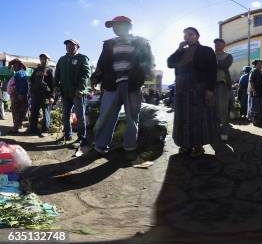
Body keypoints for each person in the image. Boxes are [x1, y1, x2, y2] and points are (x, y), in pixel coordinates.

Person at [89, 16, 154, 160]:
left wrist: (146, 73)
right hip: (112, 84)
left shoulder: (141, 42)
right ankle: (100, 146)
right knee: (106, 117)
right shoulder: (108, 44)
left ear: (128, 26)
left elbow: (148, 61)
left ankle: (129, 147)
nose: (116, 28)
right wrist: (95, 76)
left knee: (132, 118)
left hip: (132, 85)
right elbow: (102, 63)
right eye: (114, 26)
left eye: (118, 25)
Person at [168, 27, 217, 157]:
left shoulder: (206, 50)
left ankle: (198, 146)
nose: (187, 37)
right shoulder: (181, 52)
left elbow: (212, 71)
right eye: (185, 35)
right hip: (181, 89)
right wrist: (178, 49)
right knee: (183, 117)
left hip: (198, 87)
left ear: (197, 36)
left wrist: (210, 90)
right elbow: (170, 63)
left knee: (198, 117)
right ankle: (185, 145)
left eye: (190, 34)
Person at [55, 39, 91, 146]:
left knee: (80, 116)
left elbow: (86, 74)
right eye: (67, 45)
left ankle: (81, 138)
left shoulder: (82, 58)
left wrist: (80, 88)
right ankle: (67, 135)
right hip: (65, 92)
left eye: (72, 45)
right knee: (65, 115)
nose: (69, 47)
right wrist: (56, 85)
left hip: (77, 93)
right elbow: (57, 74)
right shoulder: (62, 59)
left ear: (77, 47)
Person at [28, 54, 54, 137]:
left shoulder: (50, 70)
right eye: (41, 58)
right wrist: (31, 90)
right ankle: (33, 129)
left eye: (45, 58)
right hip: (35, 94)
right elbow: (31, 80)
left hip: (45, 95)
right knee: (34, 112)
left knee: (46, 112)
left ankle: (45, 130)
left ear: (48, 59)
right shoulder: (37, 69)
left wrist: (52, 96)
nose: (43, 60)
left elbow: (53, 84)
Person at [214, 38, 233, 141]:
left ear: (224, 45)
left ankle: (224, 132)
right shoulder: (210, 55)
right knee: (212, 109)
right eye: (215, 43)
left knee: (223, 109)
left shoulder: (228, 56)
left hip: (223, 84)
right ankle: (214, 131)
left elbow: (224, 65)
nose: (217, 45)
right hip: (210, 85)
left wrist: (212, 64)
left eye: (219, 43)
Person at [7, 59, 28, 134]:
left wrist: (20, 94)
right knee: (19, 111)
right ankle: (19, 125)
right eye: (13, 66)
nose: (13, 67)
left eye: (15, 65)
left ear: (19, 66)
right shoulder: (19, 73)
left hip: (18, 95)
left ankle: (15, 128)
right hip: (18, 95)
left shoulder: (20, 73)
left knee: (16, 111)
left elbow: (22, 84)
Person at [248, 60, 262, 126]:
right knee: (255, 106)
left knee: (261, 106)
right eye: (259, 64)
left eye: (261, 64)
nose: (260, 65)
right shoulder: (253, 71)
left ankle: (261, 120)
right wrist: (253, 90)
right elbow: (251, 81)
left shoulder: (261, 72)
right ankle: (255, 121)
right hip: (256, 92)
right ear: (255, 65)